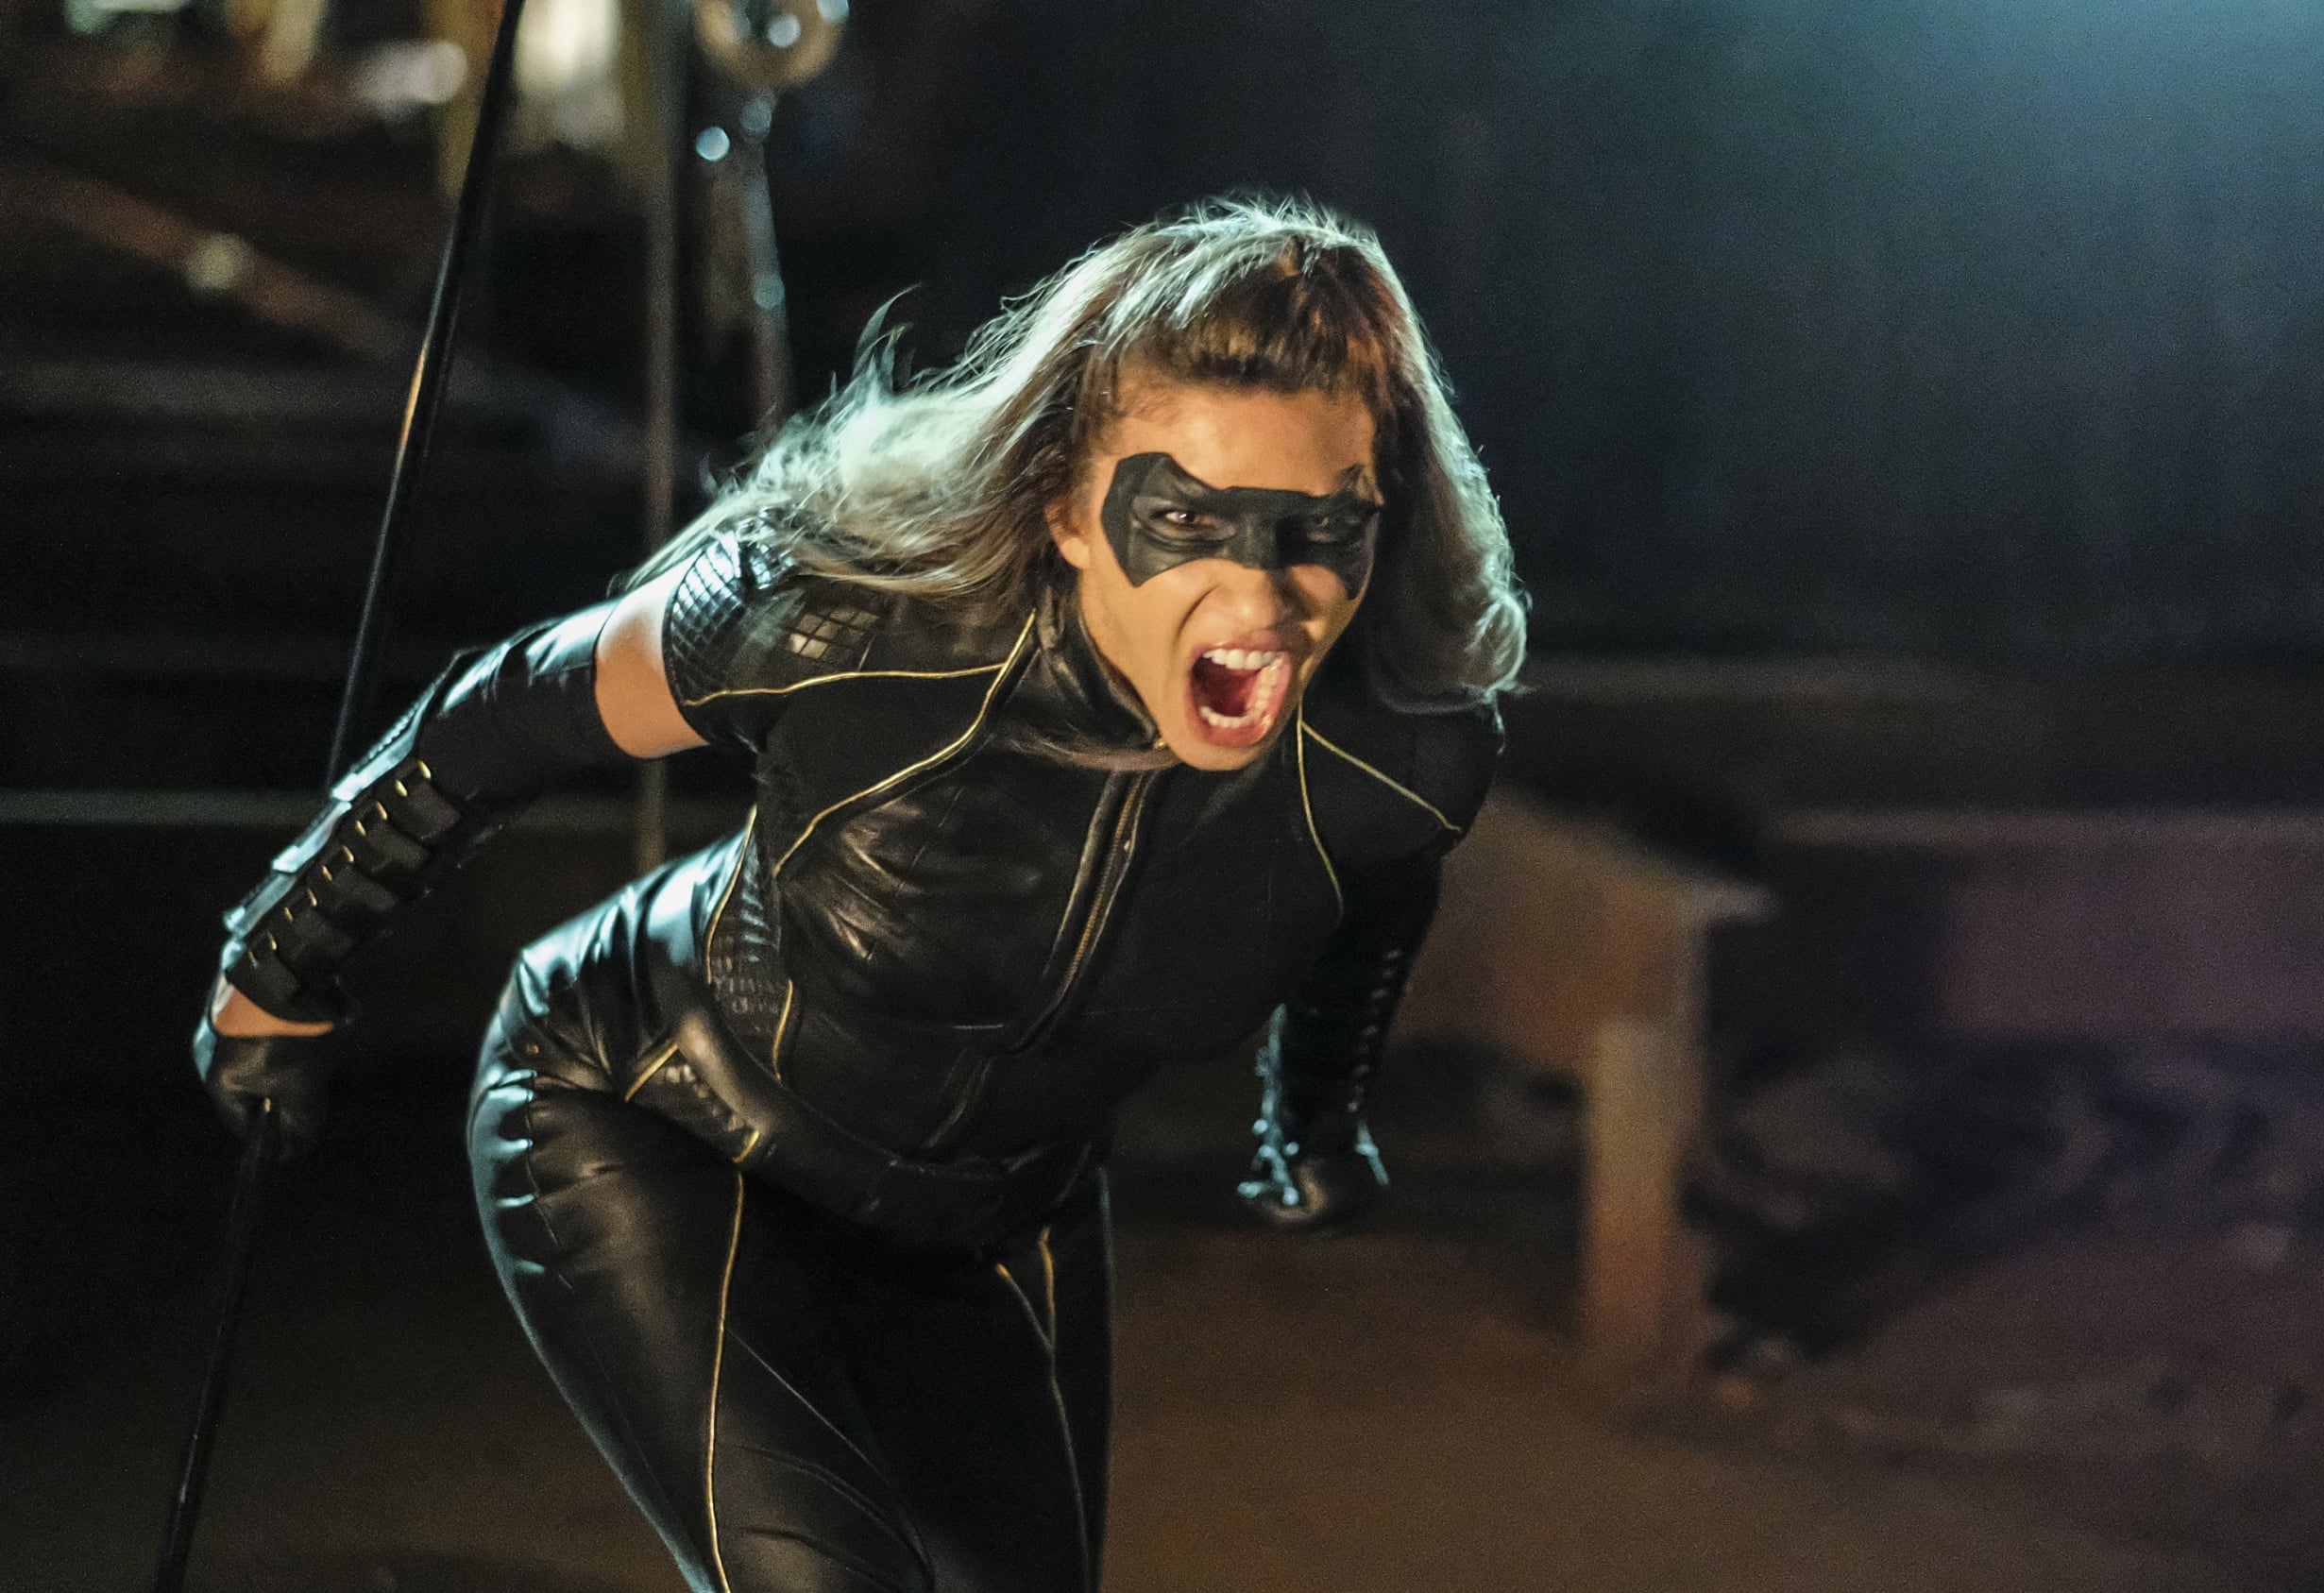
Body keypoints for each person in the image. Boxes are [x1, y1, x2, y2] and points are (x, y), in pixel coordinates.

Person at [191, 195, 1527, 1593]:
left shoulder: (1405, 753)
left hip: (997, 1223)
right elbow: (507, 715)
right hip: (656, 1117)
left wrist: (1313, 1118)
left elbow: (1363, 911)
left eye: (1320, 527)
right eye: (1186, 518)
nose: (1261, 597)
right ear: (1069, 510)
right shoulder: (839, 622)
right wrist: (278, 962)